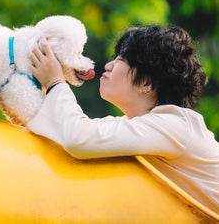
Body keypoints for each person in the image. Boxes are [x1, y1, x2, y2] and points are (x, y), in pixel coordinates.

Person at [28, 24, 219, 213]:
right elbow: (67, 132)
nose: (108, 66)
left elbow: (79, 138)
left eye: (121, 59)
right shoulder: (139, 126)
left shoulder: (176, 125)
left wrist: (55, 82)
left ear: (147, 82)